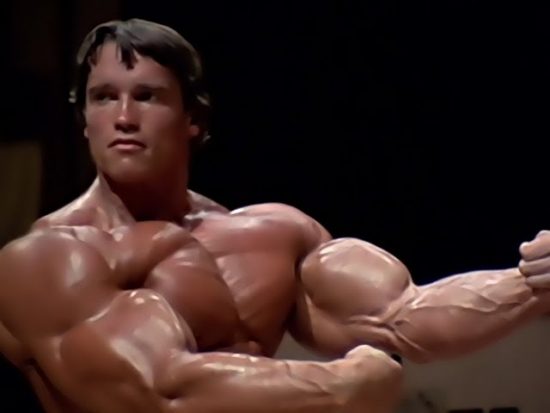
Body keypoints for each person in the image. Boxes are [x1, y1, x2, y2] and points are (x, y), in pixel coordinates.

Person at [0, 18, 549, 413]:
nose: (123, 117)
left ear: (193, 119)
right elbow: (160, 393)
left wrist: (533, 285)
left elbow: (404, 315)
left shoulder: (269, 236)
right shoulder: (45, 259)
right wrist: (343, 388)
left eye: (147, 96)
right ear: (83, 119)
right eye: (102, 97)